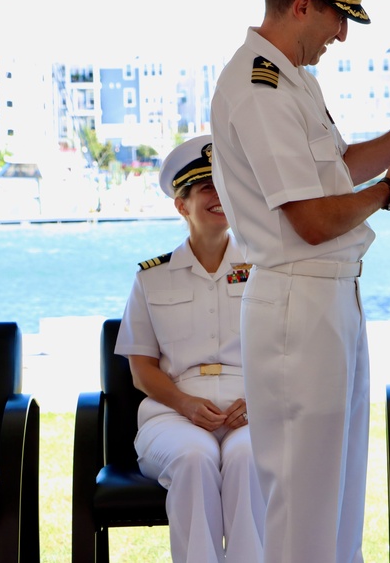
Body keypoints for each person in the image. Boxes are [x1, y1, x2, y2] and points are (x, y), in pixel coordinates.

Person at [209, 0, 390, 562]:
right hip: (298, 300)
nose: (340, 35)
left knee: (336, 491)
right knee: (304, 500)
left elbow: (336, 170)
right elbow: (308, 220)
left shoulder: (291, 76)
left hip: (326, 296)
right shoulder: (261, 85)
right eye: (337, 19)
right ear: (302, 6)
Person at [114, 135, 265, 563]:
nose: (219, 197)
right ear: (182, 206)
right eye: (206, 188)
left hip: (249, 410)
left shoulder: (266, 270)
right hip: (173, 415)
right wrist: (185, 403)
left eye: (225, 185)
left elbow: (285, 350)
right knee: (195, 458)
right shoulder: (151, 278)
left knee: (247, 459)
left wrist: (256, 401)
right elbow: (141, 368)